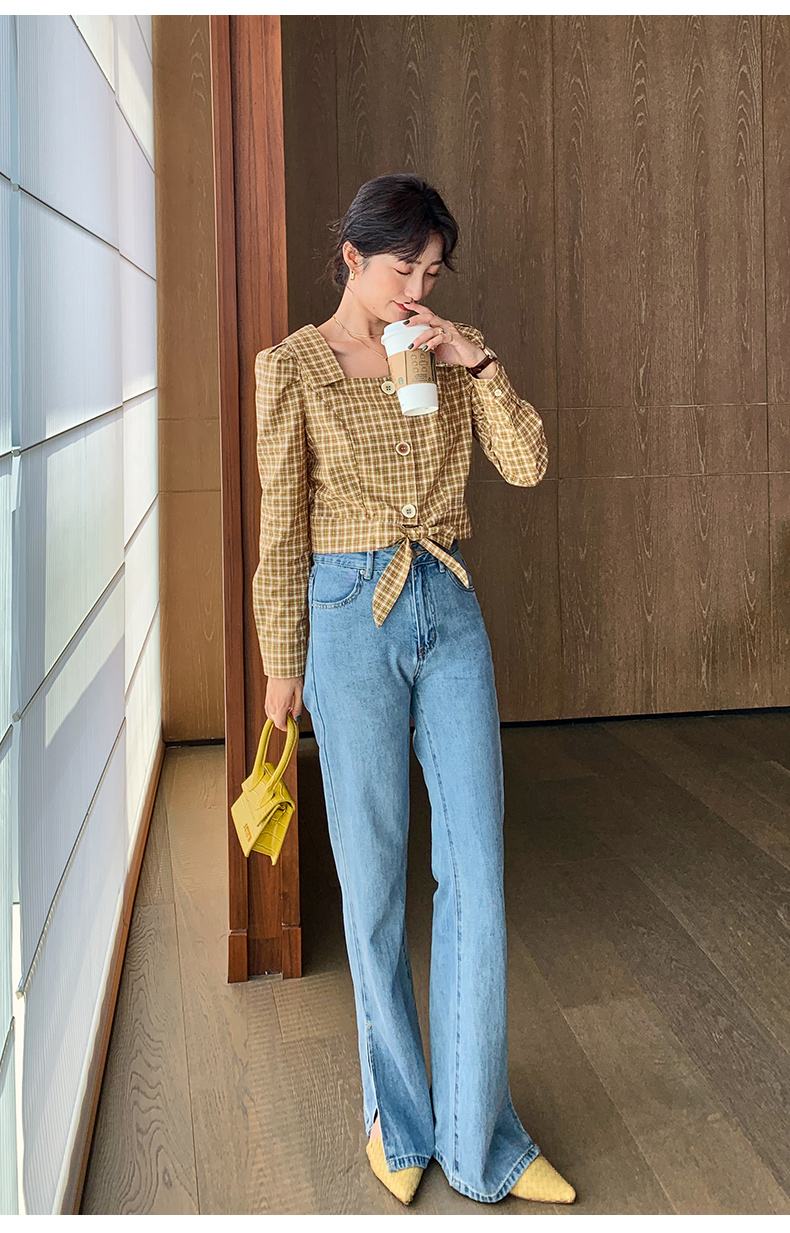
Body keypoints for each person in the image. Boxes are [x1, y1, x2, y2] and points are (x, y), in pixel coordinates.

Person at [252, 173, 576, 1207]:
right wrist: (281, 661)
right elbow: (280, 525)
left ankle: (480, 1142)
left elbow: (526, 465)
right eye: (403, 268)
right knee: (375, 876)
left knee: (475, 869)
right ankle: (396, 1119)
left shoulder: (445, 348)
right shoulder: (292, 368)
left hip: (448, 600)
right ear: (352, 257)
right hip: (349, 614)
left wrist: (473, 359)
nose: (418, 290)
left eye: (433, 272)